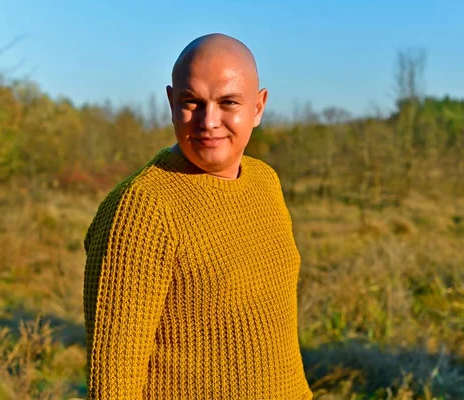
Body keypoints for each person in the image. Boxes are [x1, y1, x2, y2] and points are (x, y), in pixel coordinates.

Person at [82, 33, 313, 399]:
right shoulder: (141, 208)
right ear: (172, 102)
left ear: (258, 107)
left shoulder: (264, 182)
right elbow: (113, 382)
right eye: (192, 102)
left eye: (228, 102)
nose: (209, 121)